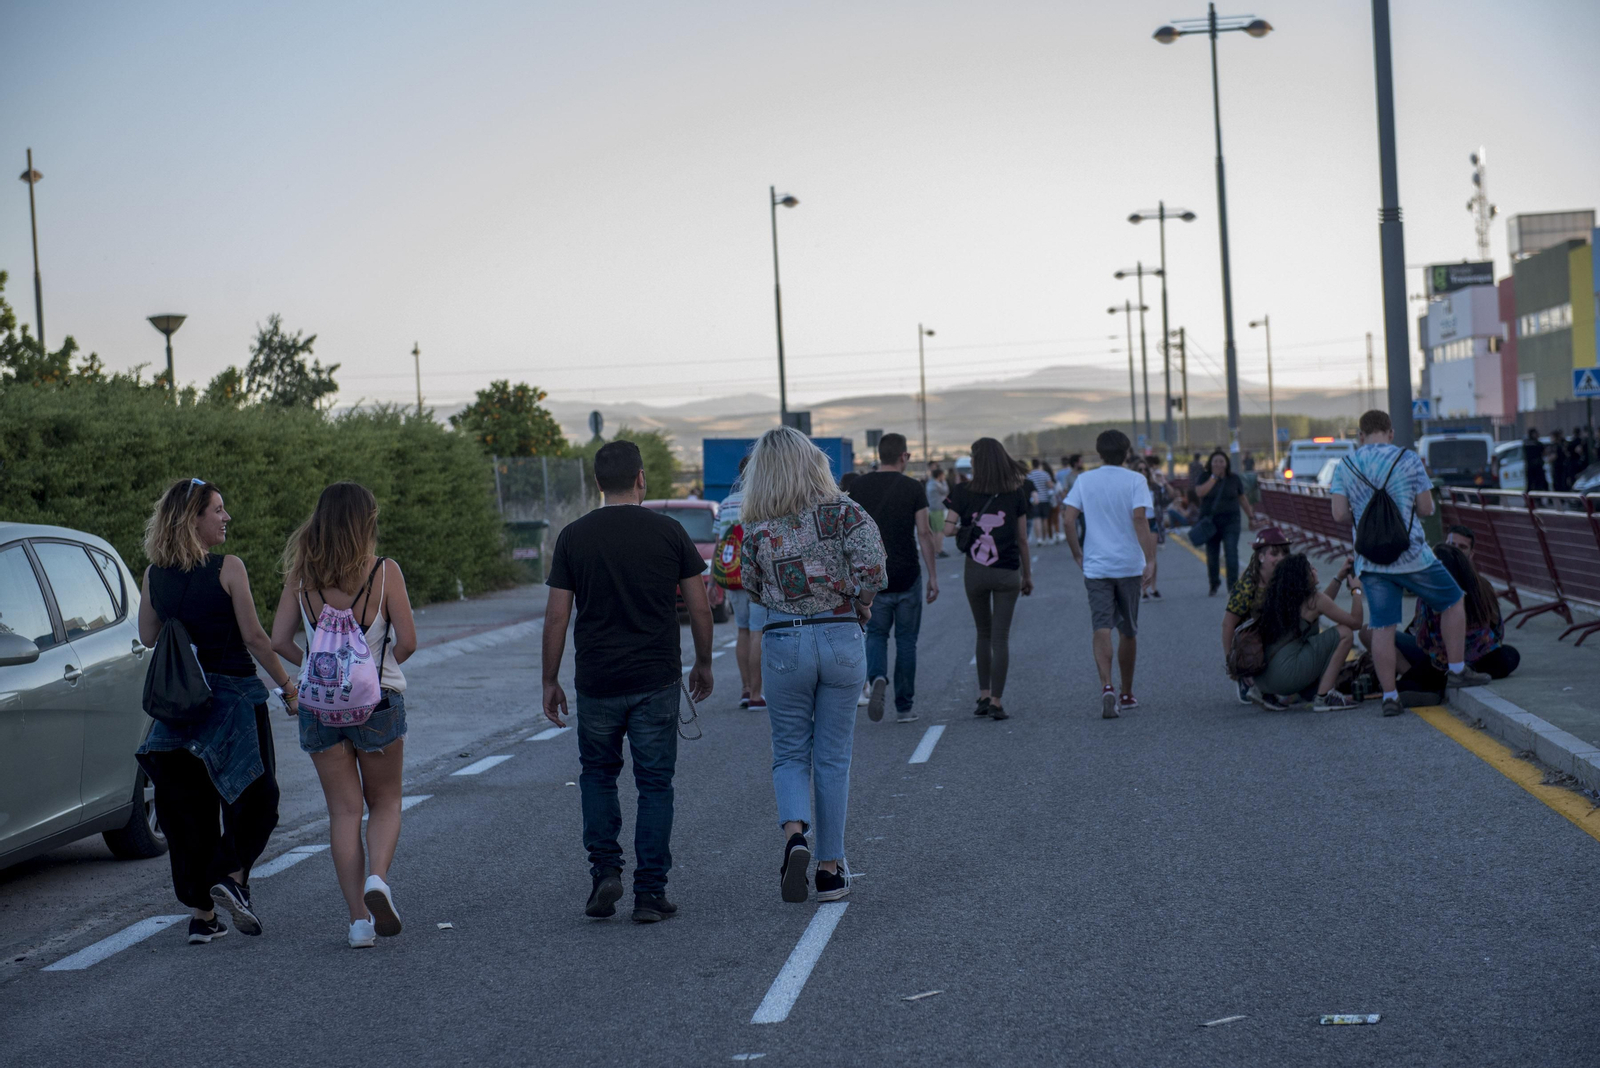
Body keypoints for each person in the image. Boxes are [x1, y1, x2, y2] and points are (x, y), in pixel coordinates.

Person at [542, 441, 715, 924]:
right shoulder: (669, 532)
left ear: (599, 483)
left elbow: (557, 617)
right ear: (641, 478)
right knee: (655, 783)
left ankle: (605, 874)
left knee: (598, 776)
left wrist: (549, 679)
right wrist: (704, 661)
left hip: (596, 680)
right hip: (656, 679)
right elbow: (699, 606)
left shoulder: (574, 536)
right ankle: (650, 893)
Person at [136, 478, 295, 945]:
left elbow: (149, 636)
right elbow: (255, 637)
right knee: (256, 798)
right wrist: (287, 687)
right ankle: (232, 876)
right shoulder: (229, 568)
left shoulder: (153, 575)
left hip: (180, 708)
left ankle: (203, 917)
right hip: (235, 701)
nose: (226, 518)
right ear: (193, 519)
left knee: (188, 812)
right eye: (218, 510)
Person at [740, 426, 885, 904]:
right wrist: (860, 602)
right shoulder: (845, 511)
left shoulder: (759, 523)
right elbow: (873, 566)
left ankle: (795, 838)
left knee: (789, 754)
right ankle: (829, 868)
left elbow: (752, 585)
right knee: (833, 757)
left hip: (785, 641)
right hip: (841, 633)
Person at [270, 483, 418, 948]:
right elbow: (409, 642)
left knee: (343, 812)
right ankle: (378, 879)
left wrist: (318, 670)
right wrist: (373, 667)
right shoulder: (384, 572)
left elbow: (277, 641)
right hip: (377, 704)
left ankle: (358, 922)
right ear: (366, 522)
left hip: (320, 710)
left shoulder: (302, 577)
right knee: (387, 802)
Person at [1330, 409, 1490, 718]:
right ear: (1390, 432)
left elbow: (1338, 514)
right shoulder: (1407, 459)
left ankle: (1390, 697)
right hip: (1412, 554)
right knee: (1453, 600)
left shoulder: (1346, 465)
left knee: (1382, 627)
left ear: (1360, 436)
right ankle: (1457, 670)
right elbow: (1427, 508)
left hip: (1372, 560)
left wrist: (1366, 517)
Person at [1063, 430, 1157, 718]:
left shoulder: (1085, 480)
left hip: (1097, 566)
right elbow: (1140, 519)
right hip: (1128, 565)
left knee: (1101, 626)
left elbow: (1068, 519)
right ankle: (1127, 693)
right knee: (1128, 631)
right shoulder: (1136, 480)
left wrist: (1077, 552)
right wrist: (1150, 559)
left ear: (1099, 452)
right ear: (1126, 453)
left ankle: (1107, 687)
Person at [849, 433, 940, 725]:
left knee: (875, 635)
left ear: (878, 455)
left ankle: (877, 677)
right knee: (907, 641)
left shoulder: (858, 486)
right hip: (907, 574)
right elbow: (924, 533)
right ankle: (904, 706)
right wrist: (932, 576)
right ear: (904, 456)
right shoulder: (913, 487)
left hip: (873, 578)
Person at [944, 438, 1033, 721]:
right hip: (1008, 572)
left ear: (976, 461)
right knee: (1001, 637)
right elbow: (1022, 539)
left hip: (976, 573)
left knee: (982, 633)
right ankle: (996, 701)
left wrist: (965, 525)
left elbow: (947, 530)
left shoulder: (962, 491)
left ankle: (982, 694)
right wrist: (1027, 574)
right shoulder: (1016, 492)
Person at [1381, 542, 1519, 700]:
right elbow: (1498, 630)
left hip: (1443, 661)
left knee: (1410, 679)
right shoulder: (1482, 587)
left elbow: (1423, 639)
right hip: (1482, 656)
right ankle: (1465, 671)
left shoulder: (1428, 596)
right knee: (1510, 655)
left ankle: (1431, 688)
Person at [1249, 554, 1365, 711]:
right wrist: (1356, 590)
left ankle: (1294, 694)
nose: (1315, 570)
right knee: (1345, 633)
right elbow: (1356, 622)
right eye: (1311, 568)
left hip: (1263, 681)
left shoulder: (1284, 598)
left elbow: (1323, 605)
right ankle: (1325, 697)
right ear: (1303, 577)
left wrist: (1338, 577)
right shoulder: (1314, 600)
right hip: (1285, 676)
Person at [716, 455, 766, 712]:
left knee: (742, 631)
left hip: (733, 577)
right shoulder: (765, 501)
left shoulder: (725, 504)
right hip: (758, 577)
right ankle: (758, 694)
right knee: (758, 631)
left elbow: (720, 544)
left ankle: (745, 690)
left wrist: (716, 581)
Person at [1193, 449, 1258, 596]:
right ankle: (1214, 583)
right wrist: (1214, 477)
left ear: (1226, 463)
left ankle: (1233, 586)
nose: (1218, 464)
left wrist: (1251, 517)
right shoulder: (1204, 476)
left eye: (1221, 461)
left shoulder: (1234, 478)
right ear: (1210, 463)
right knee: (1212, 556)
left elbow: (1242, 498)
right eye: (1215, 461)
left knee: (1231, 553)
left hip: (1231, 521)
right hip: (1211, 523)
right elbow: (1200, 492)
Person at [1026, 459, 1054, 546]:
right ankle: (1045, 538)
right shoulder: (1045, 474)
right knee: (1045, 520)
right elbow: (1050, 486)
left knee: (1036, 520)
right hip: (1045, 499)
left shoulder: (1029, 475)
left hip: (1034, 500)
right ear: (1039, 465)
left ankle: (1039, 539)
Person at [926, 465, 950, 559]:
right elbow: (946, 490)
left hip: (932, 509)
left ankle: (936, 549)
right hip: (938, 510)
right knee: (940, 531)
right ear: (939, 475)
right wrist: (943, 481)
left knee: (935, 531)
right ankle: (939, 550)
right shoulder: (936, 484)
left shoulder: (930, 483)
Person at [1523, 428, 1548, 492]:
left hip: (1530, 467)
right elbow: (1544, 453)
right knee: (1540, 484)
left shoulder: (1526, 444)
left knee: (1530, 485)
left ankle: (1528, 500)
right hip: (1538, 467)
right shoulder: (1538, 444)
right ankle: (1539, 499)